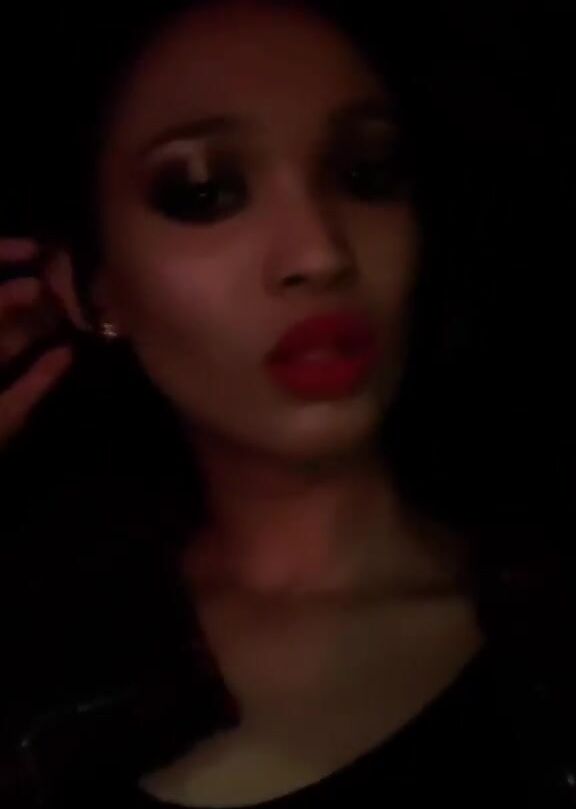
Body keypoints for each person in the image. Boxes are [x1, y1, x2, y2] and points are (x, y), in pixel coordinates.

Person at [1, 2, 574, 806]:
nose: (320, 251)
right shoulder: (33, 641)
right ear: (93, 289)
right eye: (204, 191)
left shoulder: (549, 630)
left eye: (368, 174)